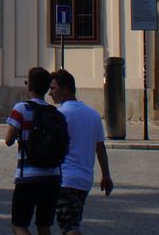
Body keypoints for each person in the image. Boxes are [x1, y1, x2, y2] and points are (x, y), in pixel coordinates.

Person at [48, 69, 112, 235]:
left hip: (65, 179)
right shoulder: (93, 115)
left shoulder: (60, 114)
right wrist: (106, 175)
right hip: (84, 180)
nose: (50, 93)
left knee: (69, 226)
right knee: (72, 222)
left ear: (66, 88)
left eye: (53, 88)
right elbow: (100, 148)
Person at [4, 66, 63, 235]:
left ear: (29, 86)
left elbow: (8, 140)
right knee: (44, 225)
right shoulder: (55, 112)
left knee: (19, 224)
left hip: (28, 176)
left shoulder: (21, 108)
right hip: (52, 176)